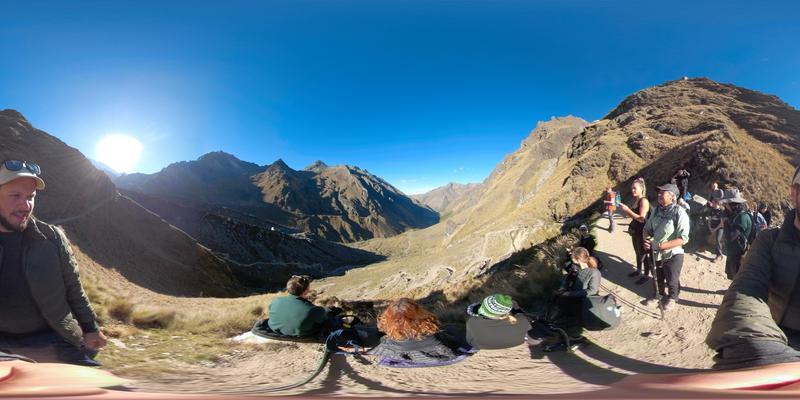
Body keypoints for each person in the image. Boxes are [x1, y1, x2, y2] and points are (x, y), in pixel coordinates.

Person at [0, 159, 106, 366]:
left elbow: (73, 288)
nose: (25, 205)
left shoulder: (52, 238)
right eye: (15, 196)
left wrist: (90, 328)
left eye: (30, 197)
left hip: (53, 340)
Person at [706, 165, 800, 370]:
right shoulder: (769, 241)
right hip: (774, 339)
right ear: (793, 193)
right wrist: (760, 347)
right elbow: (746, 290)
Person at [642, 183, 690, 311]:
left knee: (672, 278)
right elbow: (646, 229)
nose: (659, 194)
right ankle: (658, 295)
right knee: (657, 276)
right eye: (659, 192)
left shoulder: (679, 212)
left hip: (673, 252)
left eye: (662, 192)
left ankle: (672, 298)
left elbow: (683, 238)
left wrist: (661, 246)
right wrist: (646, 240)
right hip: (656, 251)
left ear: (672, 196)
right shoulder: (656, 210)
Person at [367, 298, 459, 363]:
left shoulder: (389, 341)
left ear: (388, 316)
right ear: (418, 312)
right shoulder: (432, 335)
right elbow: (452, 343)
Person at [553, 247, 601, 337]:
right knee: (559, 300)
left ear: (578, 259)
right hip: (573, 294)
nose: (572, 260)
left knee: (573, 314)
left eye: (572, 258)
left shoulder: (594, 273)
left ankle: (570, 327)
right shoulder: (575, 267)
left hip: (584, 299)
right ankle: (562, 316)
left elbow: (592, 290)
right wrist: (562, 287)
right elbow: (568, 278)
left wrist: (570, 294)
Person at [267, 275, 332, 337]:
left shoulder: (275, 301)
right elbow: (325, 321)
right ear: (306, 291)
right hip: (303, 335)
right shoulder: (313, 310)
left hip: (276, 332)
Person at [465, 294, 530, 350]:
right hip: (517, 342)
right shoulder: (523, 320)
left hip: (481, 345)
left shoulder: (472, 322)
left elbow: (470, 341)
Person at [618, 178, 651, 282]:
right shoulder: (636, 200)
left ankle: (646, 275)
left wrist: (627, 210)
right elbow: (633, 216)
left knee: (643, 254)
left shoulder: (644, 201)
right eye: (632, 188)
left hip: (642, 232)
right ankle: (638, 270)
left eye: (634, 188)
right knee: (637, 252)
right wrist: (626, 211)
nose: (632, 190)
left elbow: (641, 219)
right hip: (636, 231)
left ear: (641, 189)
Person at [720, 192, 752, 280]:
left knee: (737, 278)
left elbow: (731, 237)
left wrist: (725, 223)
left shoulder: (742, 218)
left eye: (726, 204)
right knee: (733, 276)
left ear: (732, 205)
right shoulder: (736, 215)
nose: (725, 206)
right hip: (733, 252)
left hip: (739, 255)